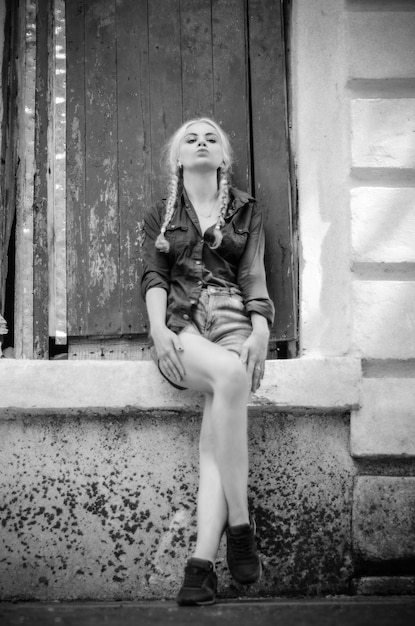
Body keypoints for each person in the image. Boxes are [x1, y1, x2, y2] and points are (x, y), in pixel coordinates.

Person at [141, 117, 275, 606]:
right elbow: (154, 277)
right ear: (179, 158)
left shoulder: (245, 210)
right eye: (190, 139)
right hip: (182, 323)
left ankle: (199, 569)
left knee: (211, 443)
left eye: (211, 138)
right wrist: (158, 332)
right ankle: (241, 526)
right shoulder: (163, 213)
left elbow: (254, 274)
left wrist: (261, 329)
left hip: (234, 318)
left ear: (224, 158)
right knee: (229, 372)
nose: (201, 142)